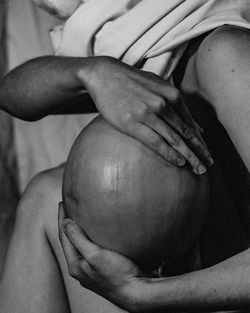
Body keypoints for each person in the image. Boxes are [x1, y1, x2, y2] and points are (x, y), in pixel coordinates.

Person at [0, 2, 250, 313]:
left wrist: (145, 294)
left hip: (206, 293)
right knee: (45, 195)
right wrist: (91, 72)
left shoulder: (227, 53)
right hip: (175, 275)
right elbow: (12, 94)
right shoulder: (149, 54)